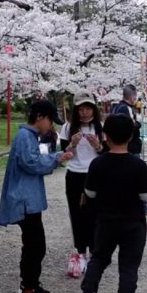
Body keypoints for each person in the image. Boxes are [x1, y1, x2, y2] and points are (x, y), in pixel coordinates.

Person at [71, 115, 147, 293]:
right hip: (133, 223)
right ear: (131, 136)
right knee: (128, 268)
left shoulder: (99, 163)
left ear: (105, 137)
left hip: (106, 220)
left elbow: (90, 191)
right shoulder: (138, 165)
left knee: (99, 258)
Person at [0, 100, 74, 293]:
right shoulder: (25, 136)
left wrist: (59, 156)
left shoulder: (29, 136)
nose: (52, 125)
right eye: (50, 120)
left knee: (32, 244)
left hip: (28, 198)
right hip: (25, 199)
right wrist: (57, 158)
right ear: (40, 117)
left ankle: (29, 284)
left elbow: (32, 161)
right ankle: (29, 291)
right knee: (35, 245)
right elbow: (31, 163)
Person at [58, 92, 104, 278]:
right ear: (76, 110)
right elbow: (64, 153)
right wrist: (72, 144)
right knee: (77, 213)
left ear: (93, 108)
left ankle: (95, 251)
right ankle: (80, 251)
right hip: (75, 175)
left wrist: (98, 146)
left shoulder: (100, 127)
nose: (84, 112)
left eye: (88, 107)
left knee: (95, 214)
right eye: (81, 108)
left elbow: (107, 154)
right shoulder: (68, 127)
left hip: (95, 175)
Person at [110, 85, 147, 216]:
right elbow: (129, 125)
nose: (136, 99)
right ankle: (141, 205)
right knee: (135, 176)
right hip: (130, 146)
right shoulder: (125, 108)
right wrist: (137, 124)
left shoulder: (117, 107)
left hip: (124, 146)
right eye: (135, 97)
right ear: (131, 97)